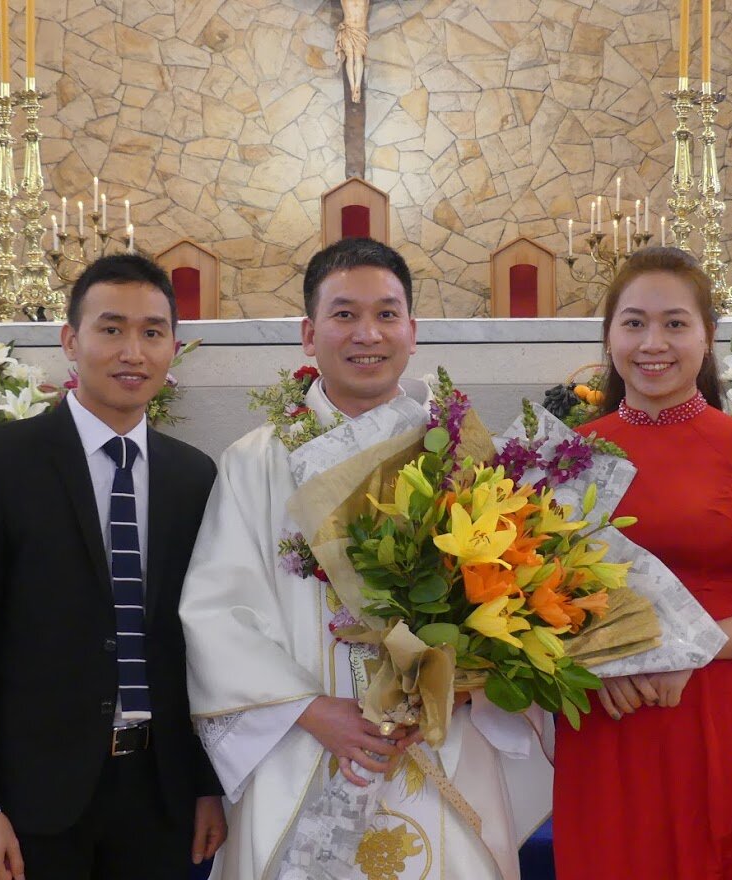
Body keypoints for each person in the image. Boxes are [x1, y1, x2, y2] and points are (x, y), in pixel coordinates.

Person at [178, 237, 549, 880]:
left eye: (386, 314)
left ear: (413, 330)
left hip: (439, 739)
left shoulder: (461, 458)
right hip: (301, 743)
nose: (367, 333)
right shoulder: (257, 461)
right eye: (344, 314)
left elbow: (509, 595)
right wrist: (319, 715)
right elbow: (216, 614)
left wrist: (458, 687)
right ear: (308, 332)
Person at [0, 253, 227, 880]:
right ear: (71, 341)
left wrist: (206, 785)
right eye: (111, 328)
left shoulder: (192, 475)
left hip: (159, 790)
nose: (133, 351)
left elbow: (199, 643)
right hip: (37, 792)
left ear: (174, 346)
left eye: (152, 332)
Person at [552, 248, 732, 880]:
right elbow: (531, 600)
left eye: (675, 323)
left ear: (706, 338)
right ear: (609, 337)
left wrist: (685, 648)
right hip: (606, 713)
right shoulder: (568, 459)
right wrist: (591, 660)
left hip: (714, 707)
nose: (654, 343)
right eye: (634, 322)